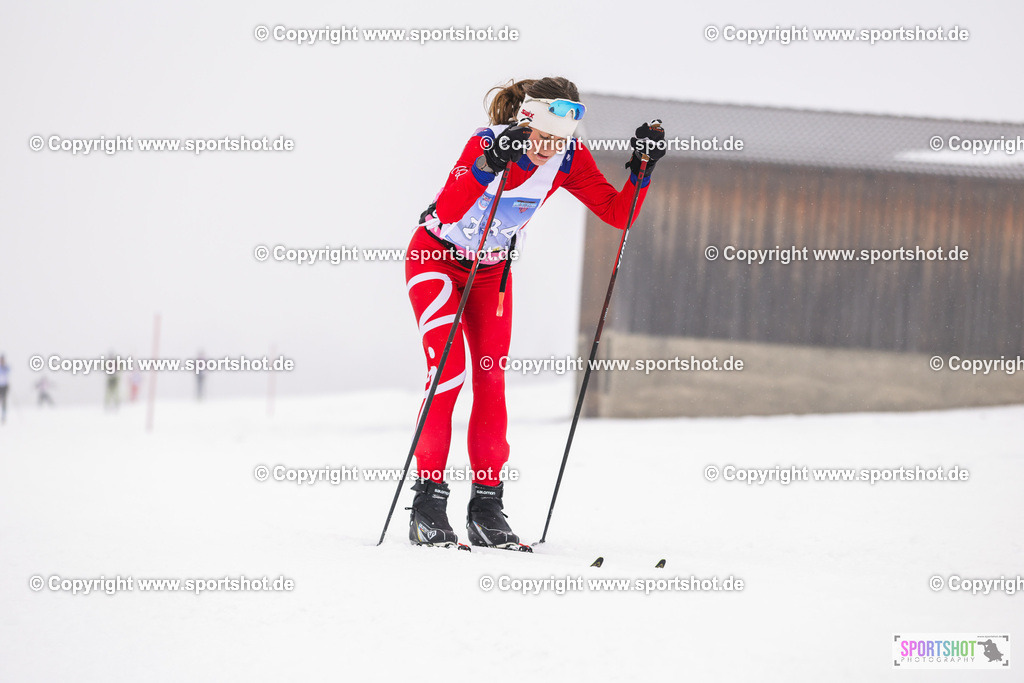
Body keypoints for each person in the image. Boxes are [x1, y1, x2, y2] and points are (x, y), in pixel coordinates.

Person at [404, 77, 665, 548]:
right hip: (436, 259)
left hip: (491, 274)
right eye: (543, 137)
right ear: (525, 122)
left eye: (559, 139)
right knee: (448, 373)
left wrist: (641, 170)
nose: (549, 149)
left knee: (491, 378)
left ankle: (486, 508)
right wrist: (488, 165)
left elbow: (616, 213)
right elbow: (450, 206)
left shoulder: (568, 157)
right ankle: (428, 505)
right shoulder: (487, 143)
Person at [0, 355, 9, 424]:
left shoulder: (6, 367)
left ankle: (3, 415)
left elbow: (8, 371)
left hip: (5, 386)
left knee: (4, 401)